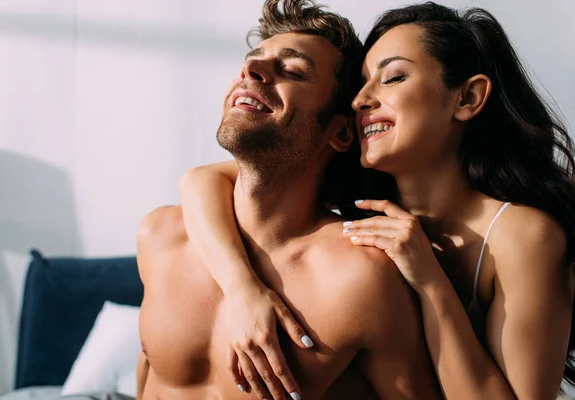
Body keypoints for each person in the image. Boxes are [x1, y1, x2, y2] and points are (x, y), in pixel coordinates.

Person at [178, 2, 575, 399]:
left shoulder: (524, 237)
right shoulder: (364, 202)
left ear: (468, 98)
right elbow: (203, 180)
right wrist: (242, 287)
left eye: (393, 78)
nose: (360, 101)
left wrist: (430, 281)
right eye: (362, 85)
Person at [135, 0, 441, 399]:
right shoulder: (160, 236)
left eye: (292, 70)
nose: (251, 71)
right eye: (253, 60)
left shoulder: (361, 278)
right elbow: (145, 374)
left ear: (341, 133)